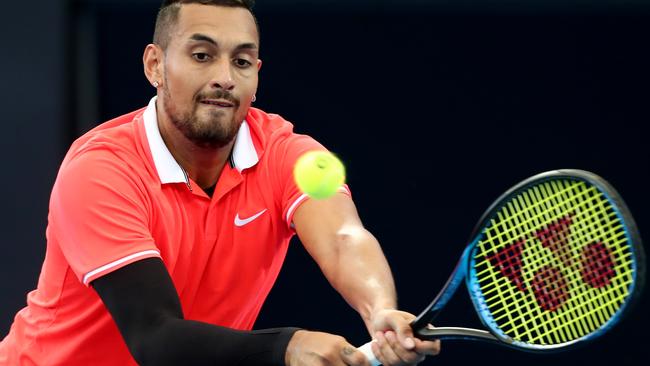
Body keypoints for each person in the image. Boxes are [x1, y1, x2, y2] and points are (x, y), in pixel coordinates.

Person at [0, 0, 440, 365]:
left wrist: (379, 308)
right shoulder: (100, 169)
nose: (225, 77)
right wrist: (286, 347)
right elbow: (154, 336)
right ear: (155, 64)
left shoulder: (293, 155)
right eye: (202, 55)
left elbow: (345, 237)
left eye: (242, 61)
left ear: (257, 75)